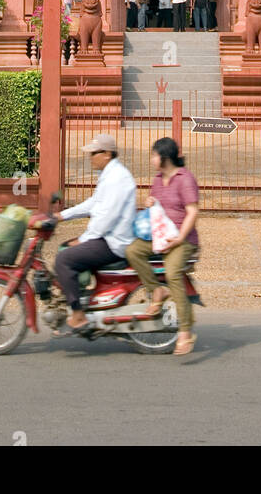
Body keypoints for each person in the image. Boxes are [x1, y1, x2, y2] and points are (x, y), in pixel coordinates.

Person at [126, 137, 200, 356]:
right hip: (160, 235)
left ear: (165, 157)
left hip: (182, 240)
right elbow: (156, 203)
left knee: (173, 272)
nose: (152, 159)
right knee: (133, 251)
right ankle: (155, 289)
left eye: (154, 155)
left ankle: (185, 332)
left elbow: (193, 212)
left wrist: (178, 240)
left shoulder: (185, 179)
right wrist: (150, 202)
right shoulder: (158, 179)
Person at [54, 135, 136, 331]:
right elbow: (93, 204)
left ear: (107, 154)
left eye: (94, 153)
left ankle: (78, 314)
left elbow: (107, 217)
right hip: (106, 237)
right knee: (66, 246)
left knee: (64, 260)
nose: (90, 157)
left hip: (113, 242)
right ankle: (86, 299)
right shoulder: (109, 175)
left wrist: (83, 239)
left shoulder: (117, 178)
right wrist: (62, 216)